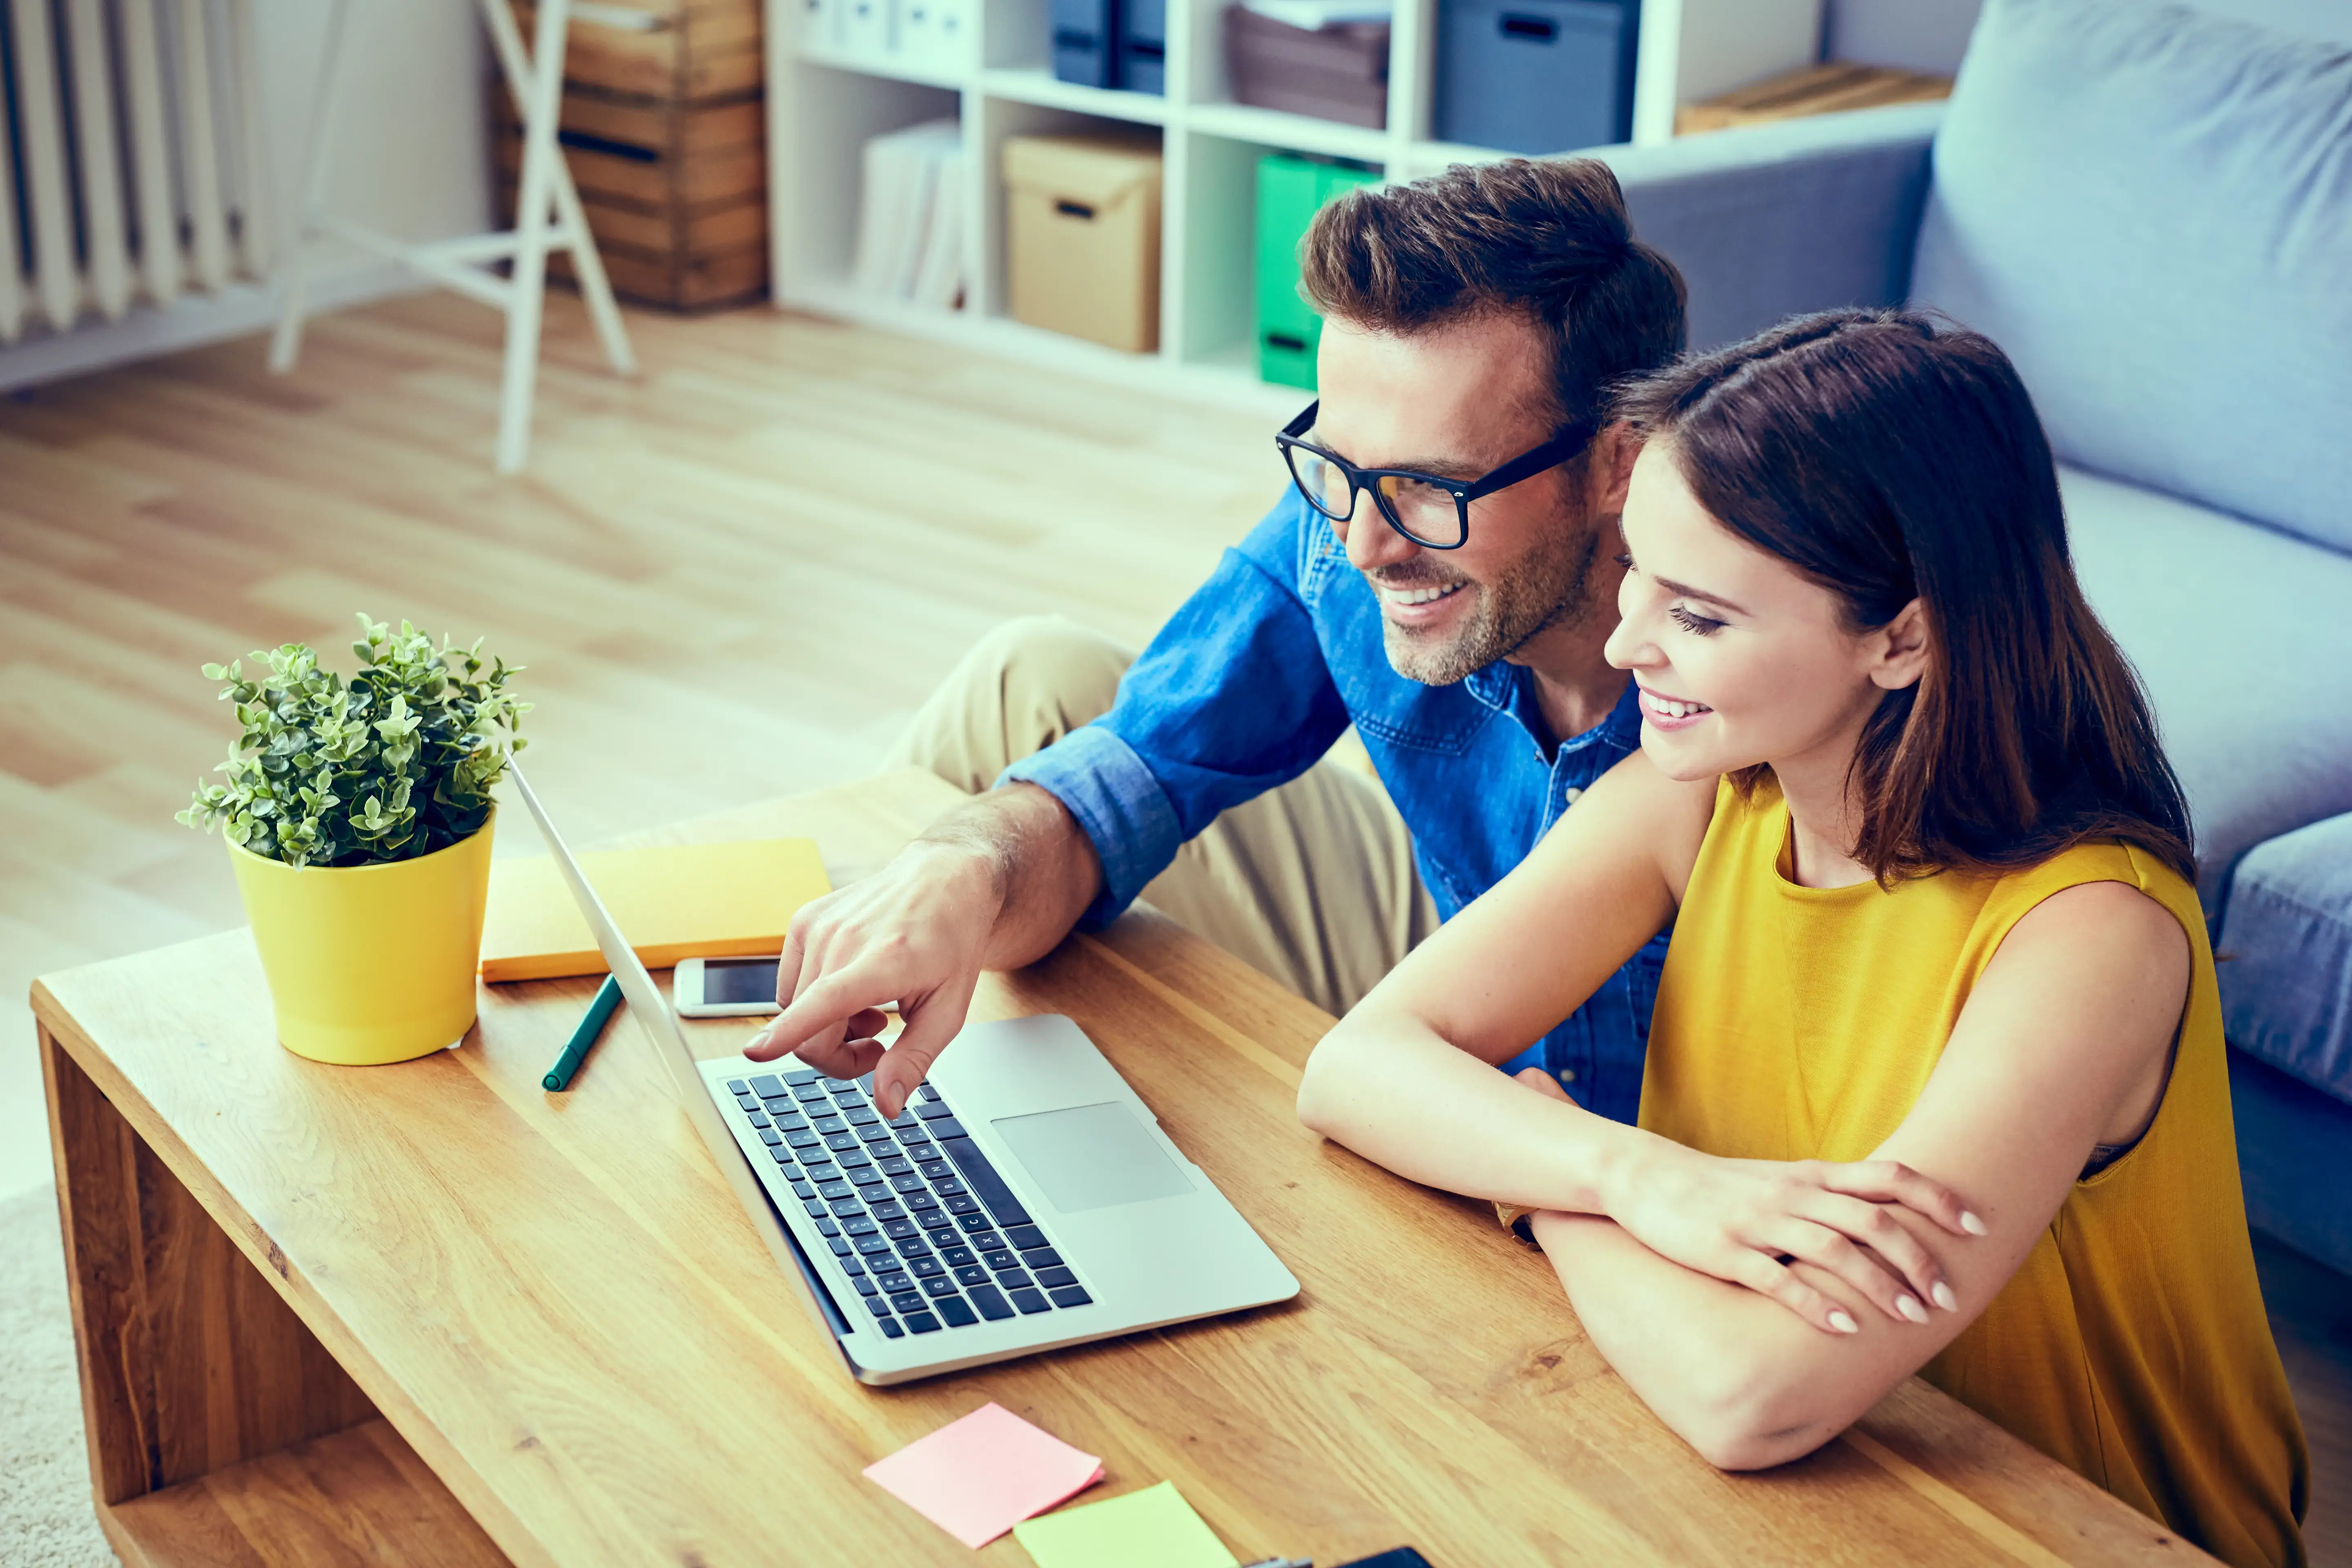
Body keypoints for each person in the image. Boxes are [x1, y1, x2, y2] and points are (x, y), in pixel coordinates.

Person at [1294, 309, 2309, 1567]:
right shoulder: (1705, 795)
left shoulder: (2090, 938)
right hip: (1794, 1482)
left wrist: (1537, 1177)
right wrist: (1632, 1176)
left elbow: (1756, 1396)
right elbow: (1357, 1068)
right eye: (1639, 583)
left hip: (2041, 1521)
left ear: (1904, 636)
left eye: (1701, 618)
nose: (1624, 645)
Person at [746, 158, 1690, 1125]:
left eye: (1432, 488)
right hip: (1446, 938)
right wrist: (965, 870)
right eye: (1337, 467)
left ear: (1618, 462)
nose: (1366, 546)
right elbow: (1145, 761)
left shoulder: (1756, 653)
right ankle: (858, 1069)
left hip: (1670, 1117)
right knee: (1035, 680)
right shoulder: (1355, 523)